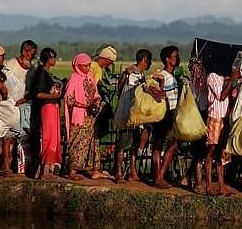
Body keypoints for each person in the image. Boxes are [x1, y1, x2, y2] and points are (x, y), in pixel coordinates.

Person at [113, 49, 152, 183]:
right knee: (123, 144)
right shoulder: (133, 74)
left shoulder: (137, 74)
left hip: (135, 115)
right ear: (144, 60)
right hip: (127, 114)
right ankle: (118, 172)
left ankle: (132, 172)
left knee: (134, 144)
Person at [65, 53, 105, 181]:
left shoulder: (90, 77)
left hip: (90, 116)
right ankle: (72, 171)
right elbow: (69, 98)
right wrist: (83, 105)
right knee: (76, 142)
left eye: (88, 66)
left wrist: (96, 101)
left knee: (90, 142)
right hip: (79, 114)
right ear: (78, 66)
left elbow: (95, 93)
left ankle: (91, 168)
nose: (87, 68)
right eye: (85, 66)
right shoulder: (74, 78)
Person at [4, 40, 38, 175]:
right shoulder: (11, 64)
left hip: (26, 105)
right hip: (11, 104)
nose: (32, 56)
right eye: (31, 53)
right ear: (24, 51)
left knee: (27, 135)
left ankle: (26, 166)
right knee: (8, 137)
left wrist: (25, 98)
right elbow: (4, 83)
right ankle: (6, 166)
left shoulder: (32, 68)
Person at [205, 68, 239, 195]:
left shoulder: (225, 76)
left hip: (225, 117)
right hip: (215, 117)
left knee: (222, 153)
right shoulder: (212, 76)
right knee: (211, 151)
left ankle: (221, 186)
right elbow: (222, 96)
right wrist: (233, 79)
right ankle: (209, 187)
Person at [152, 46, 181, 188]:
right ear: (167, 59)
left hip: (169, 114)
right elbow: (157, 93)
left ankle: (159, 177)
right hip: (165, 114)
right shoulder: (161, 75)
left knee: (161, 146)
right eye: (174, 56)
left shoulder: (169, 75)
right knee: (169, 146)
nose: (176, 58)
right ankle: (160, 177)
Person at [32, 48, 61, 180]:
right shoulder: (42, 73)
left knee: (52, 138)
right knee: (48, 138)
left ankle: (45, 169)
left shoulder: (45, 72)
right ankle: (45, 171)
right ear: (49, 59)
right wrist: (54, 96)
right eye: (53, 57)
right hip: (47, 107)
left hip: (51, 106)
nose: (54, 60)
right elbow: (38, 94)